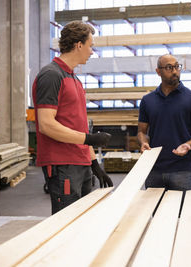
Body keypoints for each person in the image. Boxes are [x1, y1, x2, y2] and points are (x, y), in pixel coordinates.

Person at [32, 21, 113, 214]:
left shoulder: (73, 79)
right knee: (66, 223)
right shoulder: (51, 75)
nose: (92, 51)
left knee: (81, 222)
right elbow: (46, 124)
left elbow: (80, 125)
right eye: (90, 45)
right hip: (63, 164)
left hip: (80, 162)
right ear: (79, 45)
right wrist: (89, 139)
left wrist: (94, 163)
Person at [137, 54, 191, 191]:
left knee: (181, 211)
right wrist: (143, 142)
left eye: (177, 66)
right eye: (169, 67)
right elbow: (141, 132)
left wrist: (188, 145)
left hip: (182, 170)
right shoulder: (147, 100)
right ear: (158, 71)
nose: (175, 71)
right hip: (153, 169)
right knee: (154, 211)